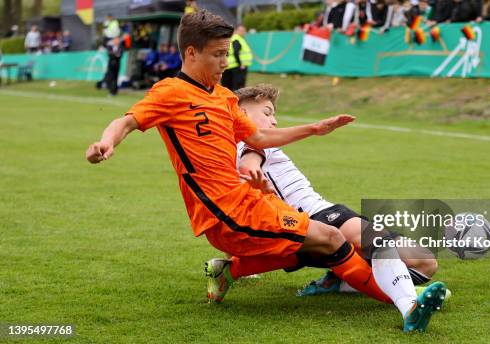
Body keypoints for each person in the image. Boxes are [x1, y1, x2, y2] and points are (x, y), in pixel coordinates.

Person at [85, 10, 445, 333]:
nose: (225, 61)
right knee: (332, 239)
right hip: (223, 212)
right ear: (191, 53)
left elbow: (257, 136)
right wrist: (106, 142)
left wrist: (314, 128)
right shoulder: (170, 93)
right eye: (217, 54)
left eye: (226, 53)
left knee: (314, 247)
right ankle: (407, 302)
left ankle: (232, 271)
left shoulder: (224, 97)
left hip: (250, 202)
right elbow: (128, 120)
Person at [235, 84, 447, 298]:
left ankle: (340, 279)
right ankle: (384, 288)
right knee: (424, 262)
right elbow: (249, 164)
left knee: (414, 260)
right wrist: (257, 181)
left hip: (305, 229)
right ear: (242, 114)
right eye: (267, 113)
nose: (275, 120)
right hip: (322, 218)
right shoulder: (254, 143)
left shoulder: (229, 149)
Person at [221, 25, 252, 91]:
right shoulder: (236, 39)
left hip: (229, 66)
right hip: (236, 67)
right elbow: (236, 52)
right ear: (236, 31)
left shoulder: (233, 39)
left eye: (244, 31)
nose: (243, 32)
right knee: (237, 87)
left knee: (227, 87)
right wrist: (240, 64)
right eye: (241, 30)